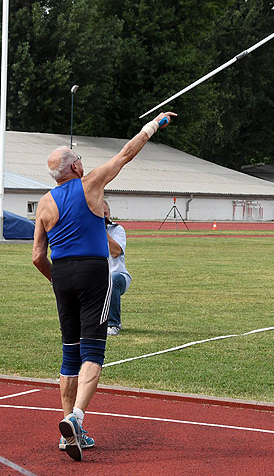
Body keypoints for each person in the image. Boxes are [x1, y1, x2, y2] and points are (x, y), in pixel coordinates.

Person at [32, 111, 176, 461]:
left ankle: (68, 432)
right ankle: (76, 419)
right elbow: (126, 153)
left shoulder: (45, 202)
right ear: (76, 168)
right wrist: (154, 125)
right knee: (93, 350)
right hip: (94, 273)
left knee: (69, 352)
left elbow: (37, 256)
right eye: (79, 159)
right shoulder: (91, 182)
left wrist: (57, 282)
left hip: (62, 275)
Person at [103, 199, 131, 336]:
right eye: (99, 213)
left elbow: (116, 252)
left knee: (111, 279)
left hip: (118, 275)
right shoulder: (86, 231)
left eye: (105, 213)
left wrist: (102, 232)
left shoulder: (117, 229)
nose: (102, 217)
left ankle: (113, 324)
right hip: (96, 277)